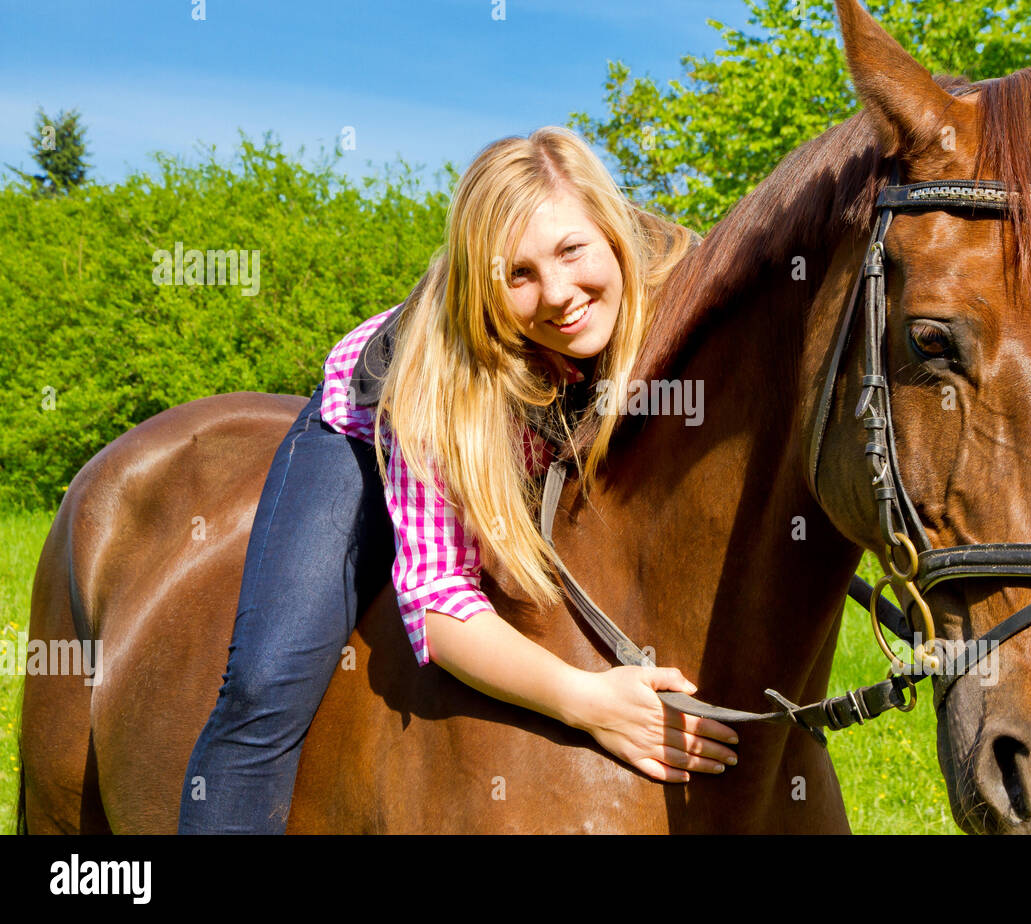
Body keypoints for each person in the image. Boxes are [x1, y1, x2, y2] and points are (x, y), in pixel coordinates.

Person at [178, 126, 739, 834]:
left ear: (614, 231)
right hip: (366, 431)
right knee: (265, 684)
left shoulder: (677, 280)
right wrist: (586, 700)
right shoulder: (439, 376)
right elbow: (439, 604)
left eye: (572, 251)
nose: (560, 295)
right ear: (485, 284)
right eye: (519, 274)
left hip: (546, 414)